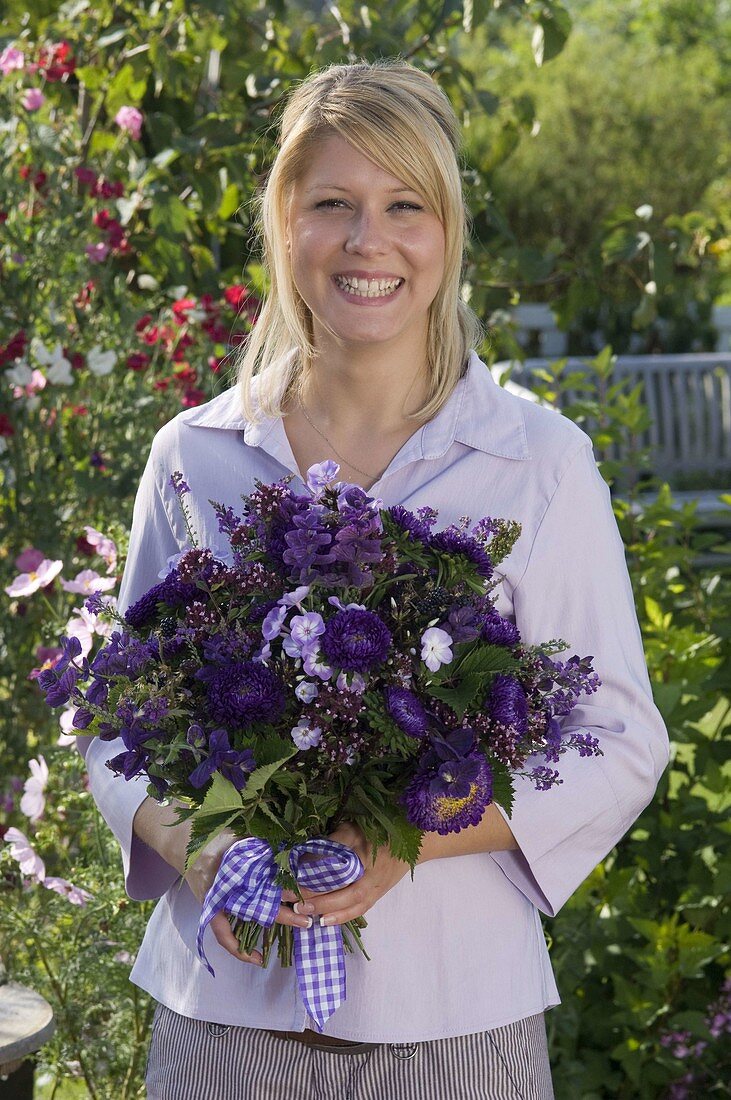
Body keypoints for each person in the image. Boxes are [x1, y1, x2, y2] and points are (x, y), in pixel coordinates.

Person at [77, 59, 670, 1099]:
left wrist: (408, 832)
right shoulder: (196, 455)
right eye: (331, 205)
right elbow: (122, 722)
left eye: (404, 205)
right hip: (223, 1012)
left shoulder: (536, 460)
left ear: (445, 232)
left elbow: (620, 740)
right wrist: (209, 848)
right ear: (282, 221)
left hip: (458, 1013)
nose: (367, 242)